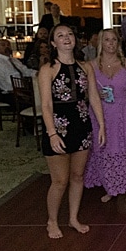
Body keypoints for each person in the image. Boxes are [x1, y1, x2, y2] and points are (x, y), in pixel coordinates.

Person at [39, 24, 106, 239]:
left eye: (69, 34)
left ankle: (73, 218)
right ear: (53, 43)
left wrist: (102, 124)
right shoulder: (48, 69)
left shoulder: (86, 66)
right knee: (60, 180)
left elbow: (94, 97)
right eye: (60, 35)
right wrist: (51, 132)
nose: (66, 38)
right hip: (57, 126)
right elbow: (46, 105)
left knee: (78, 176)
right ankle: (52, 220)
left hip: (81, 124)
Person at [84, 29, 126, 209]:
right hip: (102, 113)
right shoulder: (91, 65)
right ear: (101, 43)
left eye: (114, 40)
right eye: (107, 40)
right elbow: (88, 91)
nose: (111, 43)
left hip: (124, 112)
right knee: (105, 150)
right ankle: (110, 186)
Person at [0, 37, 35, 105]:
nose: (6, 47)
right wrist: (19, 92)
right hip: (9, 93)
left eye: (8, 45)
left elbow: (25, 71)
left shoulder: (14, 60)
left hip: (23, 89)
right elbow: (3, 84)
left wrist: (37, 73)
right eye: (3, 45)